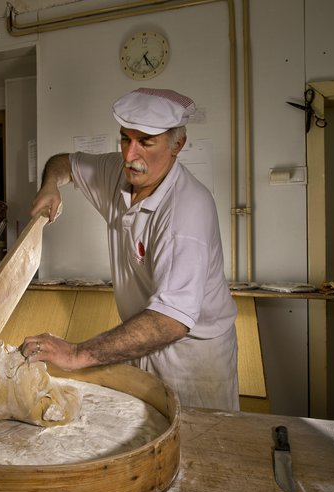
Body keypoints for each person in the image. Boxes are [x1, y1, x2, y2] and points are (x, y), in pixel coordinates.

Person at [21, 88, 239, 410]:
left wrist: (76, 354)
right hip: (143, 340)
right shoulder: (118, 172)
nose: (129, 155)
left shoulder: (186, 210)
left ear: (177, 144)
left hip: (193, 362)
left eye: (146, 142)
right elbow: (63, 163)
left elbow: (170, 322)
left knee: (194, 451)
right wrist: (50, 185)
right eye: (125, 139)